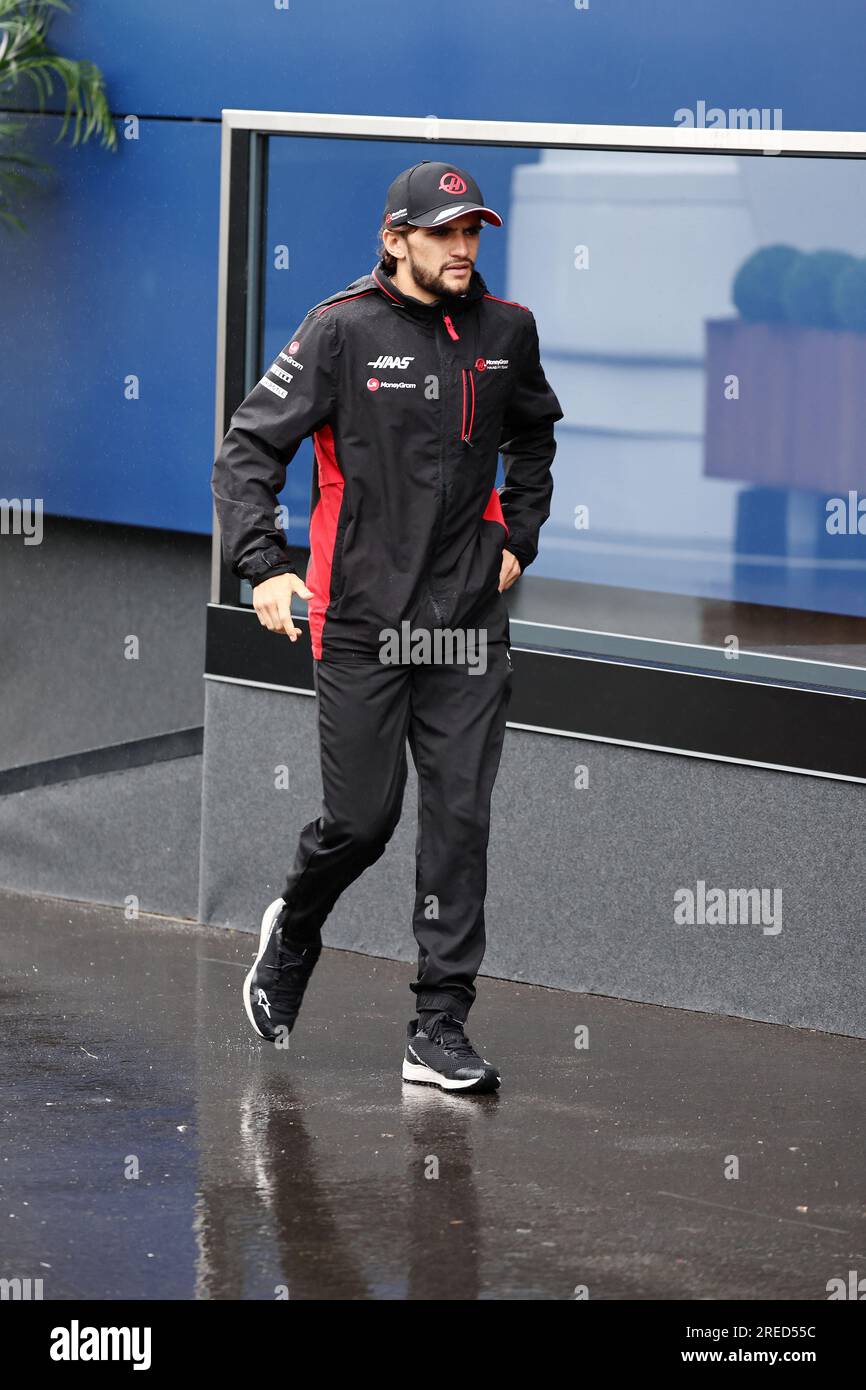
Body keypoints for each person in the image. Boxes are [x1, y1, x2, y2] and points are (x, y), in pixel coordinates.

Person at [211, 160, 563, 1093]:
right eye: (443, 231)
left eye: (472, 231)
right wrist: (264, 568)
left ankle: (438, 1025)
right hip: (363, 619)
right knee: (363, 821)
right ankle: (294, 929)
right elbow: (250, 448)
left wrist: (518, 535)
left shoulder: (507, 332)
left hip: (464, 625)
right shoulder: (340, 331)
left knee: (458, 818)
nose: (462, 247)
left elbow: (535, 435)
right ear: (395, 238)